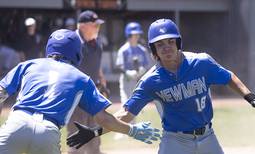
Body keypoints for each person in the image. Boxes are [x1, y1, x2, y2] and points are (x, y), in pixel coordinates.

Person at [66, 19, 255, 154]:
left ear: (178, 43)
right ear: (153, 50)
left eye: (170, 42)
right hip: (175, 141)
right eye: (160, 44)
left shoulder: (201, 63)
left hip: (208, 137)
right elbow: (125, 114)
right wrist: (94, 132)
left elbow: (227, 77)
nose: (167, 47)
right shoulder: (150, 81)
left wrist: (249, 96)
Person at [0, 29, 160, 154]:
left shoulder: (28, 65)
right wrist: (131, 130)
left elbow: (1, 93)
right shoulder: (81, 78)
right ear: (77, 52)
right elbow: (103, 118)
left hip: (16, 123)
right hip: (47, 131)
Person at [67, 10, 110, 154]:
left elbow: (97, 67)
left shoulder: (97, 44)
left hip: (93, 97)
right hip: (76, 99)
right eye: (94, 25)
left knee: (94, 137)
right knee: (76, 138)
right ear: (83, 26)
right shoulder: (71, 43)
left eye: (98, 25)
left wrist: (102, 82)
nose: (98, 28)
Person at [114, 22, 150, 139]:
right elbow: (119, 66)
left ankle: (133, 129)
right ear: (128, 34)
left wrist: (141, 71)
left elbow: (146, 64)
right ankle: (120, 130)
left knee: (135, 104)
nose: (137, 36)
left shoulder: (142, 50)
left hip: (138, 80)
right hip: (126, 80)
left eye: (138, 34)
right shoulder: (123, 50)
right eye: (134, 34)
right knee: (125, 104)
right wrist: (128, 72)